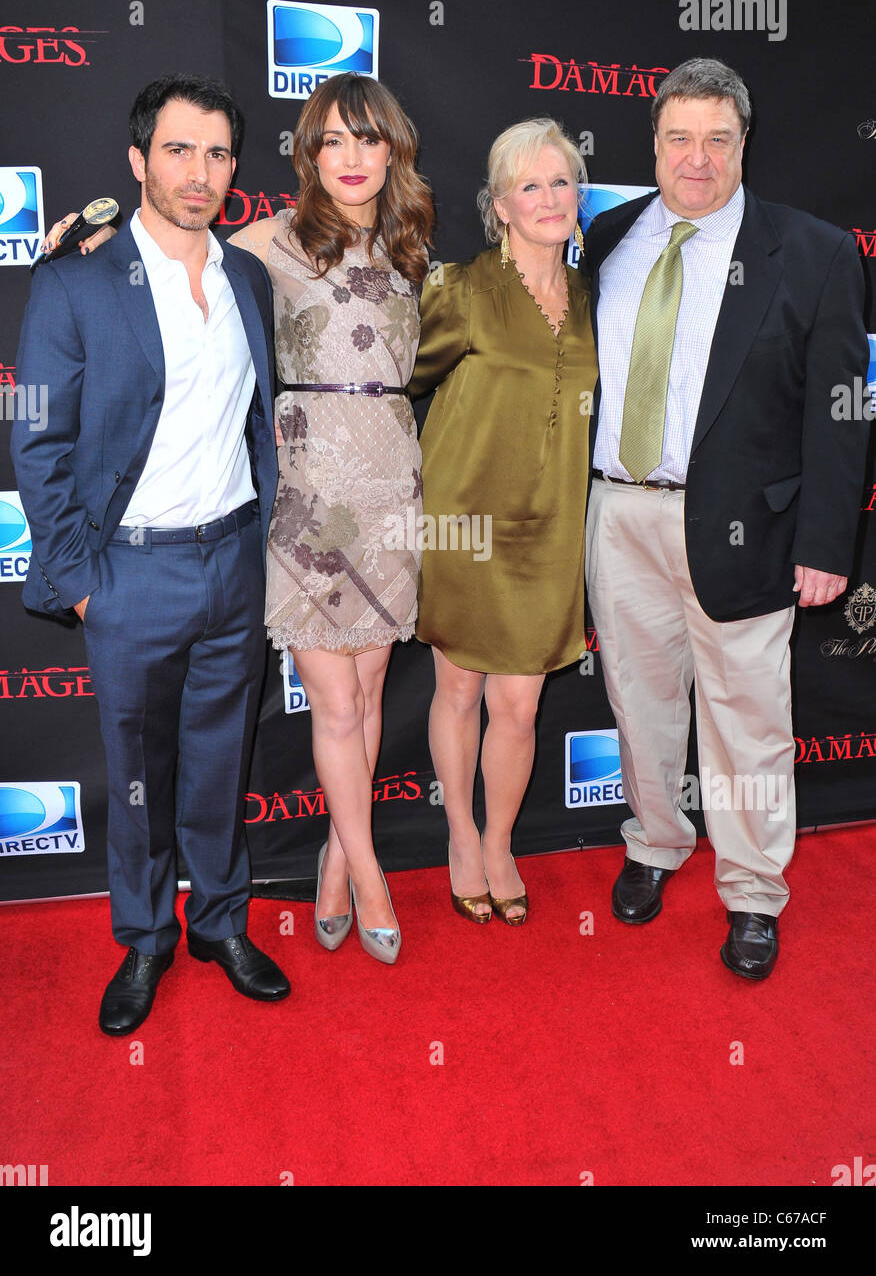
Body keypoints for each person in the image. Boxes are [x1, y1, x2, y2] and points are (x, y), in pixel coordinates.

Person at [12, 74, 290, 1035]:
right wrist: (83, 581)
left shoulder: (246, 276)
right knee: (137, 772)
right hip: (128, 574)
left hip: (232, 563)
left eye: (217, 154)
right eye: (179, 151)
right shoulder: (77, 279)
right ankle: (144, 939)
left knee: (220, 765)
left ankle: (218, 922)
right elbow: (39, 441)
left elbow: (260, 421)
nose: (200, 172)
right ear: (138, 162)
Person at [584, 57, 871, 979]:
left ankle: (752, 889)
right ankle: (656, 841)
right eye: (679, 138)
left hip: (750, 524)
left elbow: (840, 409)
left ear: (745, 144)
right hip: (620, 515)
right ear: (654, 144)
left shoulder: (817, 251)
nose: (697, 159)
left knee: (747, 719)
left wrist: (828, 542)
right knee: (639, 697)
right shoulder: (612, 236)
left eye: (718, 140)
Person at [229, 73, 434, 965]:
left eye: (368, 140)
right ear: (309, 155)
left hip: (393, 486)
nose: (351, 159)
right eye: (332, 142)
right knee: (337, 702)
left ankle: (334, 861)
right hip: (310, 491)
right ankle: (370, 868)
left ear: (393, 150)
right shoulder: (270, 241)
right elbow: (173, 253)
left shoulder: (409, 245)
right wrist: (99, 230)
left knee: (371, 692)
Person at [409, 118, 597, 925]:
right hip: (465, 525)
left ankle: (500, 841)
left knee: (519, 707)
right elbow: (391, 381)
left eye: (562, 182)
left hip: (552, 529)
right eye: (531, 186)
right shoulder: (460, 289)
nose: (549, 198)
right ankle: (459, 837)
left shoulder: (595, 297)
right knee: (459, 691)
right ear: (500, 204)